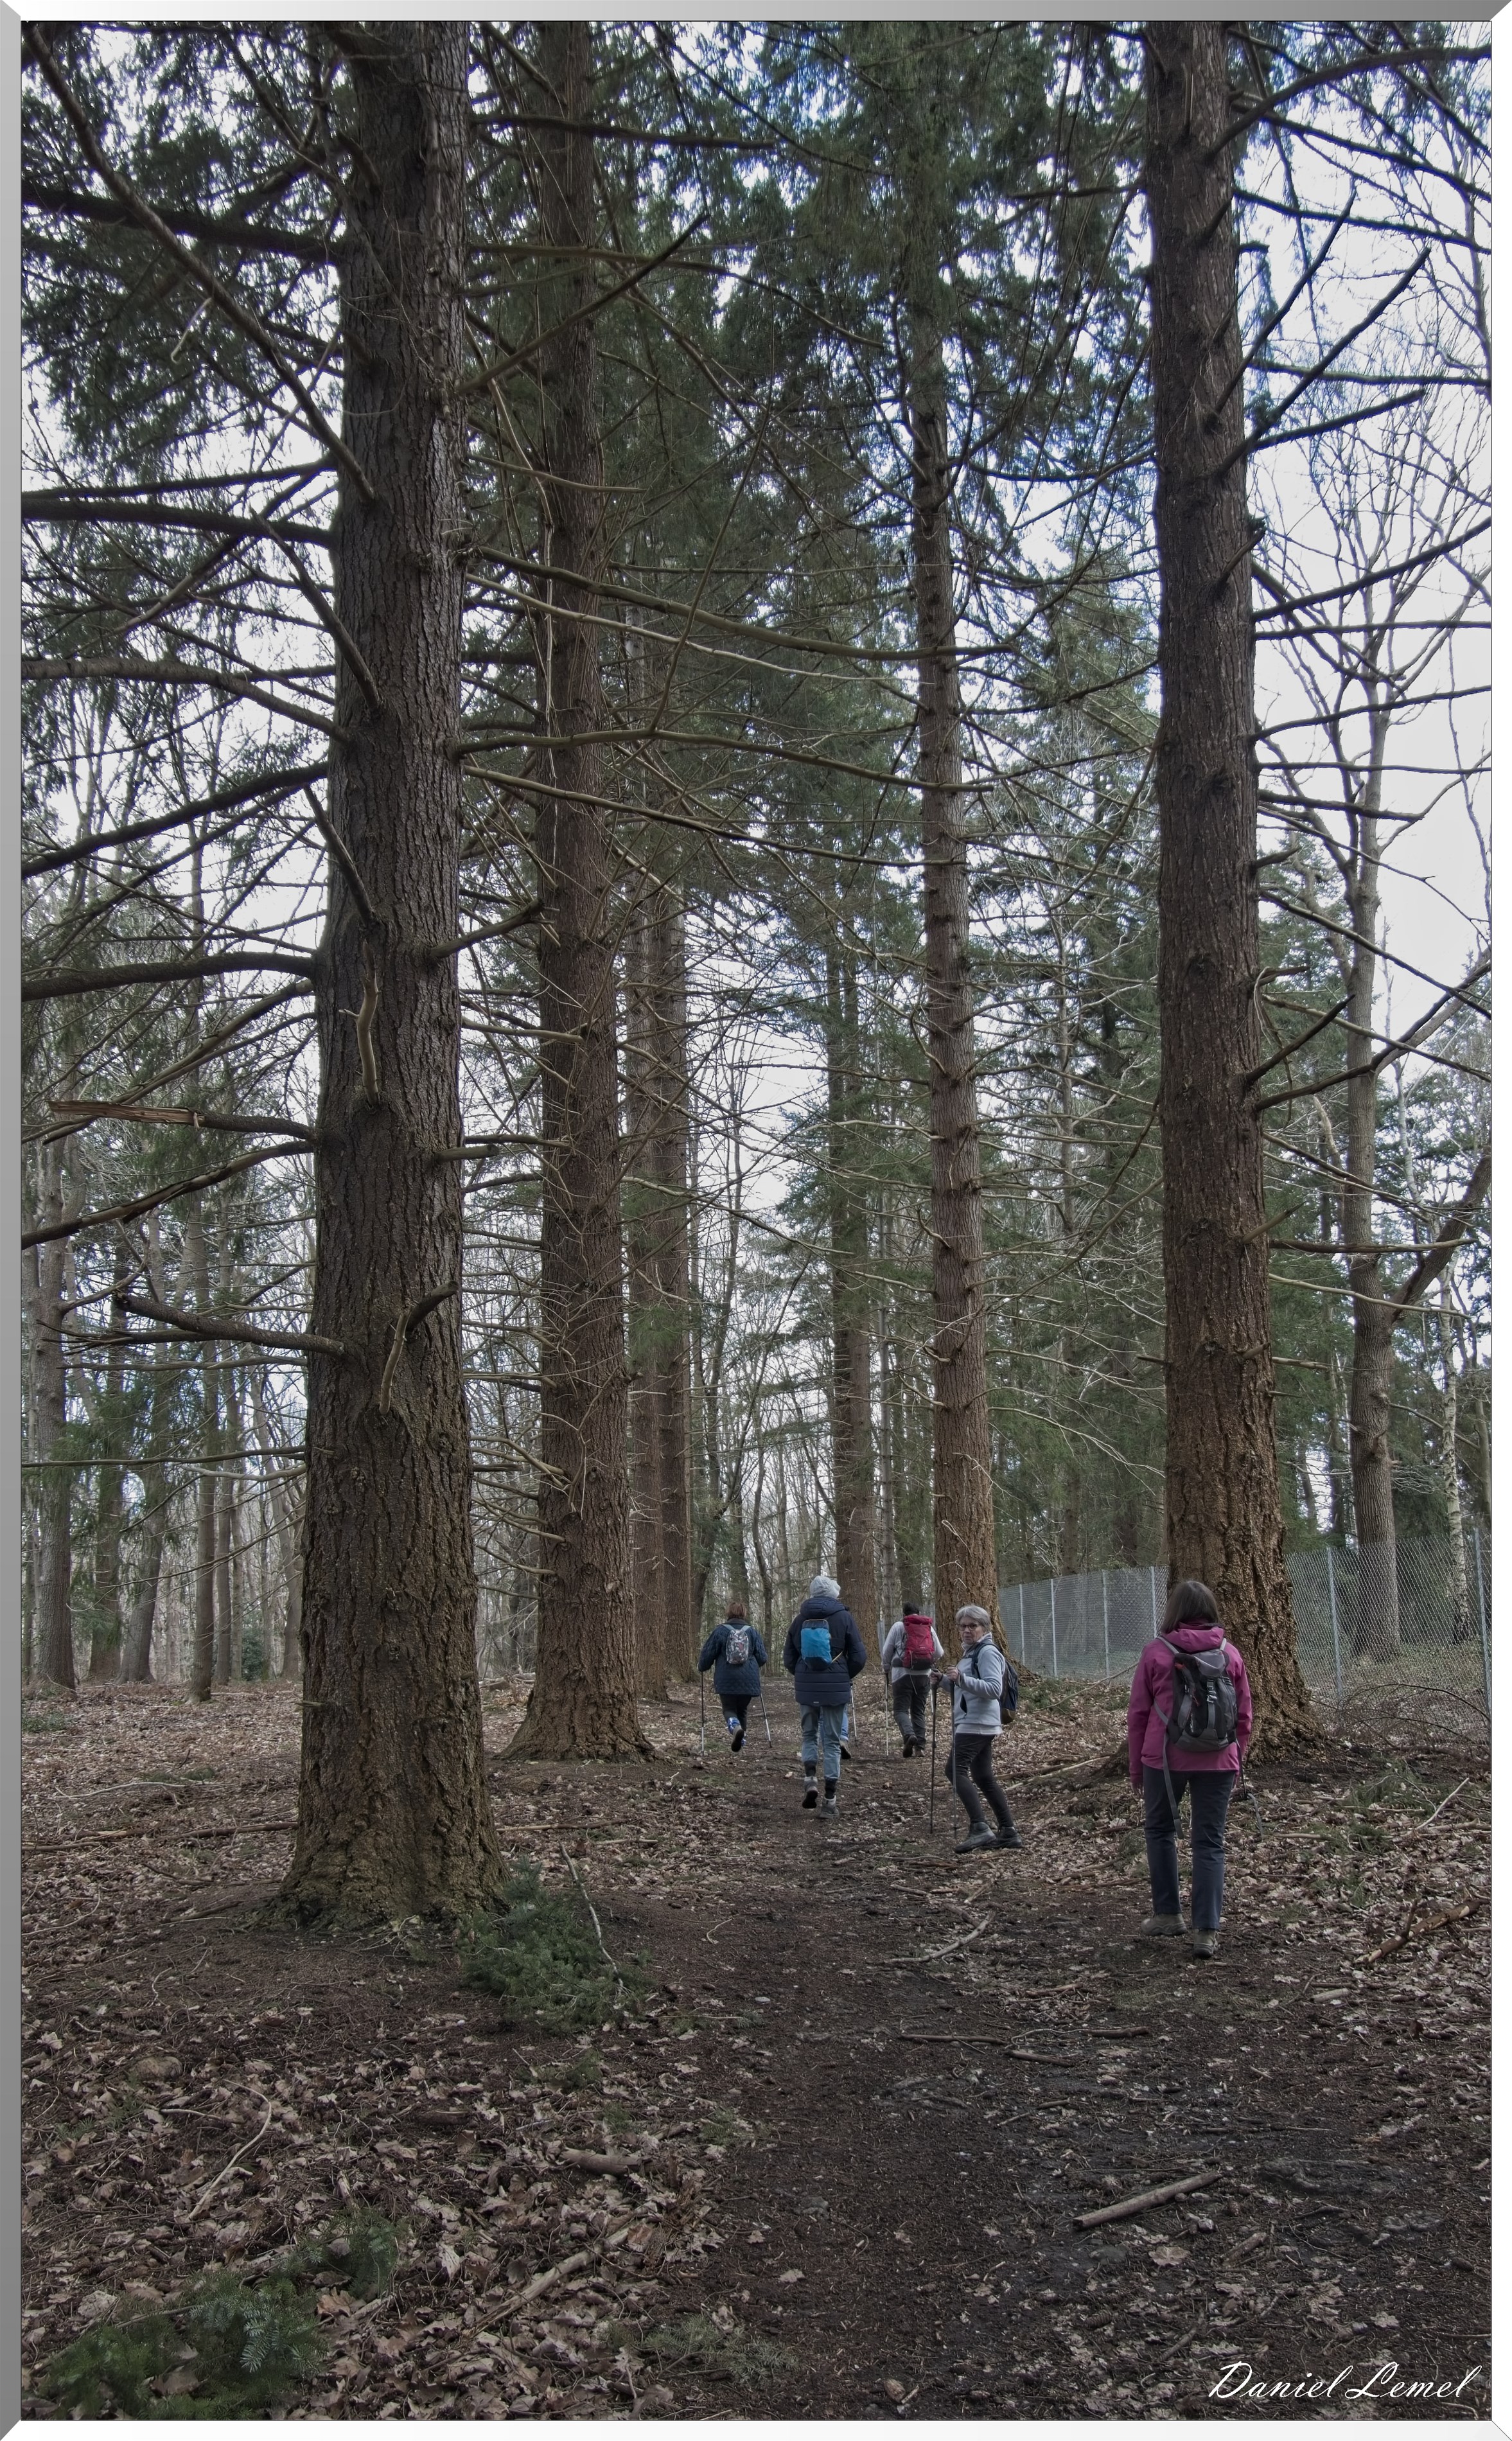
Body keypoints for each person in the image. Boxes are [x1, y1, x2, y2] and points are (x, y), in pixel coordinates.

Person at [1127, 1577, 1253, 1960]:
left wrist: (1136, 1769)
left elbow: (1138, 1715)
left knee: (1161, 1831)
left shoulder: (1156, 1653)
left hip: (1164, 1760)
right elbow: (1243, 1715)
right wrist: (1236, 1759)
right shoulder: (1230, 1654)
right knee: (1210, 1841)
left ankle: (1168, 1914)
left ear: (1175, 1611)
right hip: (1220, 1760)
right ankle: (1206, 1931)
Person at [782, 1574, 866, 1818]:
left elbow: (789, 1658)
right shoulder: (844, 1617)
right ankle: (830, 1801)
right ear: (833, 1593)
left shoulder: (799, 1620)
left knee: (809, 1734)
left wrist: (802, 1674)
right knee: (831, 1742)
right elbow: (859, 1657)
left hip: (807, 1687)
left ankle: (810, 1779)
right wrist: (842, 1675)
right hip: (835, 1688)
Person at [941, 1605, 1021, 1854]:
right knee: (984, 1777)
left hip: (976, 1723)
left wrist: (961, 1679)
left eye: (972, 1626)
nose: (966, 1630)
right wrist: (945, 1681)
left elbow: (994, 1689)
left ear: (984, 1628)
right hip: (976, 1721)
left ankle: (980, 1827)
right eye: (963, 1626)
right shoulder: (971, 1653)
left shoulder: (987, 1652)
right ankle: (1008, 1831)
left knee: (954, 1771)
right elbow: (965, 1690)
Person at [698, 1599, 768, 1752]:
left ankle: (735, 1728)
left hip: (726, 1678)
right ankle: (740, 1742)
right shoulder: (753, 1632)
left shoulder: (720, 1631)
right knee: (742, 1710)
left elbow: (707, 1655)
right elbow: (763, 1658)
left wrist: (702, 1667)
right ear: (744, 1614)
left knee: (729, 1708)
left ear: (728, 1613)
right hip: (749, 1680)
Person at [879, 1608, 943, 1755]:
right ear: (919, 1612)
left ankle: (909, 1735)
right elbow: (939, 1652)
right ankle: (920, 1748)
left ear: (904, 1614)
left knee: (901, 1710)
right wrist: (927, 1662)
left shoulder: (898, 1626)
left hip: (902, 1675)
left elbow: (887, 1651)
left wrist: (886, 1668)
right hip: (924, 1675)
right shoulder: (928, 1627)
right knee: (918, 1711)